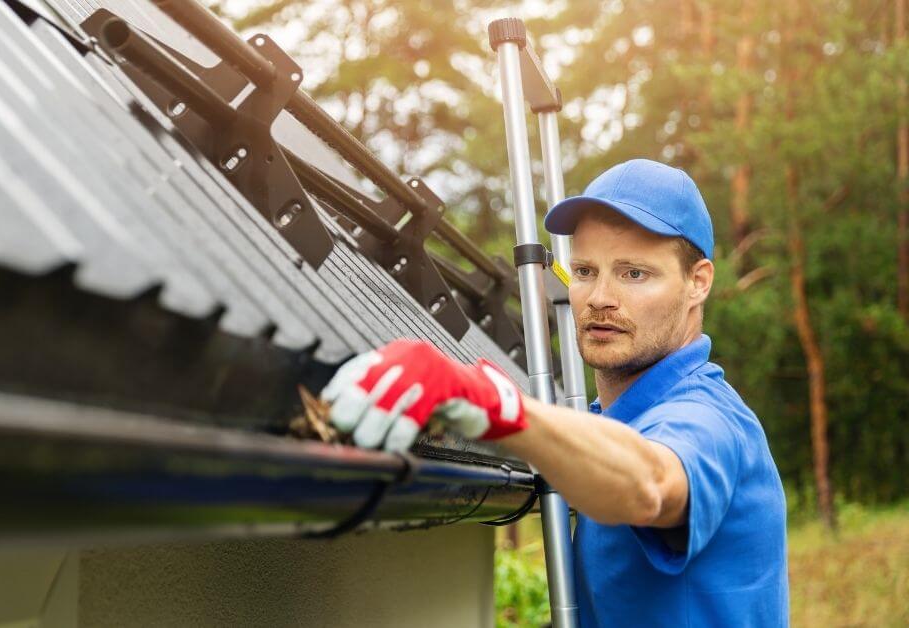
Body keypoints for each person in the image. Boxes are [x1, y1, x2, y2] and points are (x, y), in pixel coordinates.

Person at [322, 159, 789, 627]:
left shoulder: (709, 418)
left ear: (698, 282)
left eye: (634, 274)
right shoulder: (611, 423)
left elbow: (651, 484)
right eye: (585, 271)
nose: (601, 297)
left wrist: (500, 407)